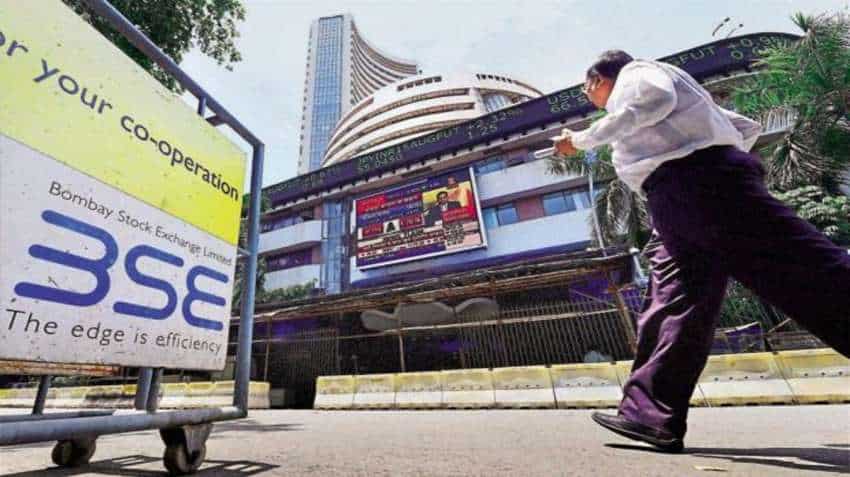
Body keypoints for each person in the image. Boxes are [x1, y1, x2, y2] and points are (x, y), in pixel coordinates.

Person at [553, 50, 850, 453]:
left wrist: (579, 140)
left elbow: (654, 100)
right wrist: (718, 153)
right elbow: (745, 127)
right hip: (679, 195)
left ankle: (649, 412)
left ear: (597, 80)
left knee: (804, 269)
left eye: (587, 90)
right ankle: (647, 415)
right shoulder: (687, 95)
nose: (590, 98)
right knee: (673, 304)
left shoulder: (638, 74)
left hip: (698, 186)